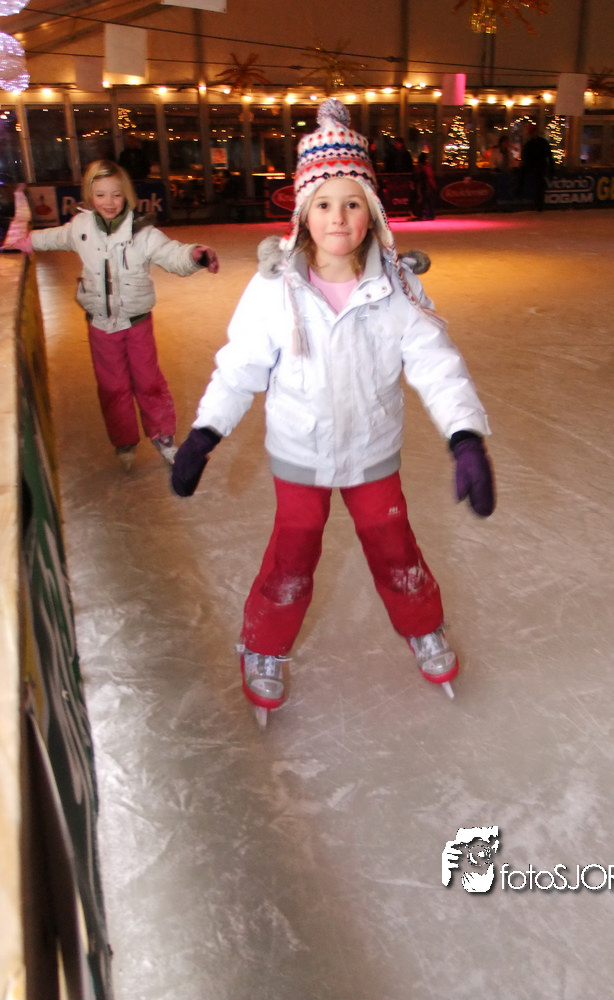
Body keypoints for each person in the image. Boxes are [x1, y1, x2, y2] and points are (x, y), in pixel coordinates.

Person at [171, 99, 494, 720]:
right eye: (323, 204)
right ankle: (263, 645)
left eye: (352, 203)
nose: (337, 217)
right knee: (292, 556)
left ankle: (423, 626)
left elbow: (436, 362)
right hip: (300, 452)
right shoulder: (275, 288)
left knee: (395, 547)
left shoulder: (398, 286)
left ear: (372, 212)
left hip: (373, 450)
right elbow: (240, 366)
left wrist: (465, 437)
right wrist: (205, 432)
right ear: (302, 213)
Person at [8, 159, 219, 469]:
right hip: (100, 326)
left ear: (127, 195)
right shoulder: (80, 228)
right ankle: (124, 441)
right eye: (100, 195)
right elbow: (55, 237)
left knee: (149, 381)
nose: (109, 202)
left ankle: (162, 435)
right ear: (89, 195)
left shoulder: (143, 233)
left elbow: (172, 254)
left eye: (116, 195)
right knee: (112, 386)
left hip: (137, 323)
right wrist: (27, 242)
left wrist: (196, 255)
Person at [519, 124, 554, 212]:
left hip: (539, 167)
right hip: (535, 167)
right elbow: (525, 157)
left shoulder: (539, 143)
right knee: (538, 186)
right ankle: (537, 204)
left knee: (539, 186)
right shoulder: (531, 144)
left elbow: (549, 155)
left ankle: (539, 204)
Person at [413, 151, 437, 220]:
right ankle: (430, 214)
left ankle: (422, 214)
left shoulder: (421, 169)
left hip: (424, 186)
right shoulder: (428, 168)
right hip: (429, 186)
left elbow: (419, 178)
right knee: (428, 201)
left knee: (423, 201)